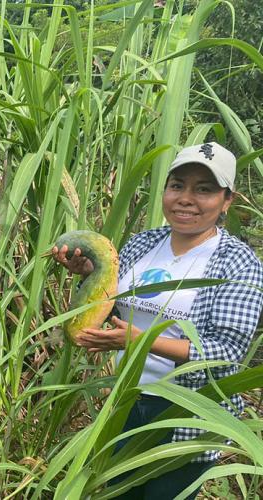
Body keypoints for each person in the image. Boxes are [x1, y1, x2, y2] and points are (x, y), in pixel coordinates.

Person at [53, 142, 263, 499]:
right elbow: (114, 303)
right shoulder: (142, 244)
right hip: (126, 399)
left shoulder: (238, 263)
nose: (185, 198)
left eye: (204, 189)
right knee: (119, 492)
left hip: (185, 411)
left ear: (227, 200)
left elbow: (226, 353)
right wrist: (88, 271)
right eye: (177, 185)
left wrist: (142, 341)